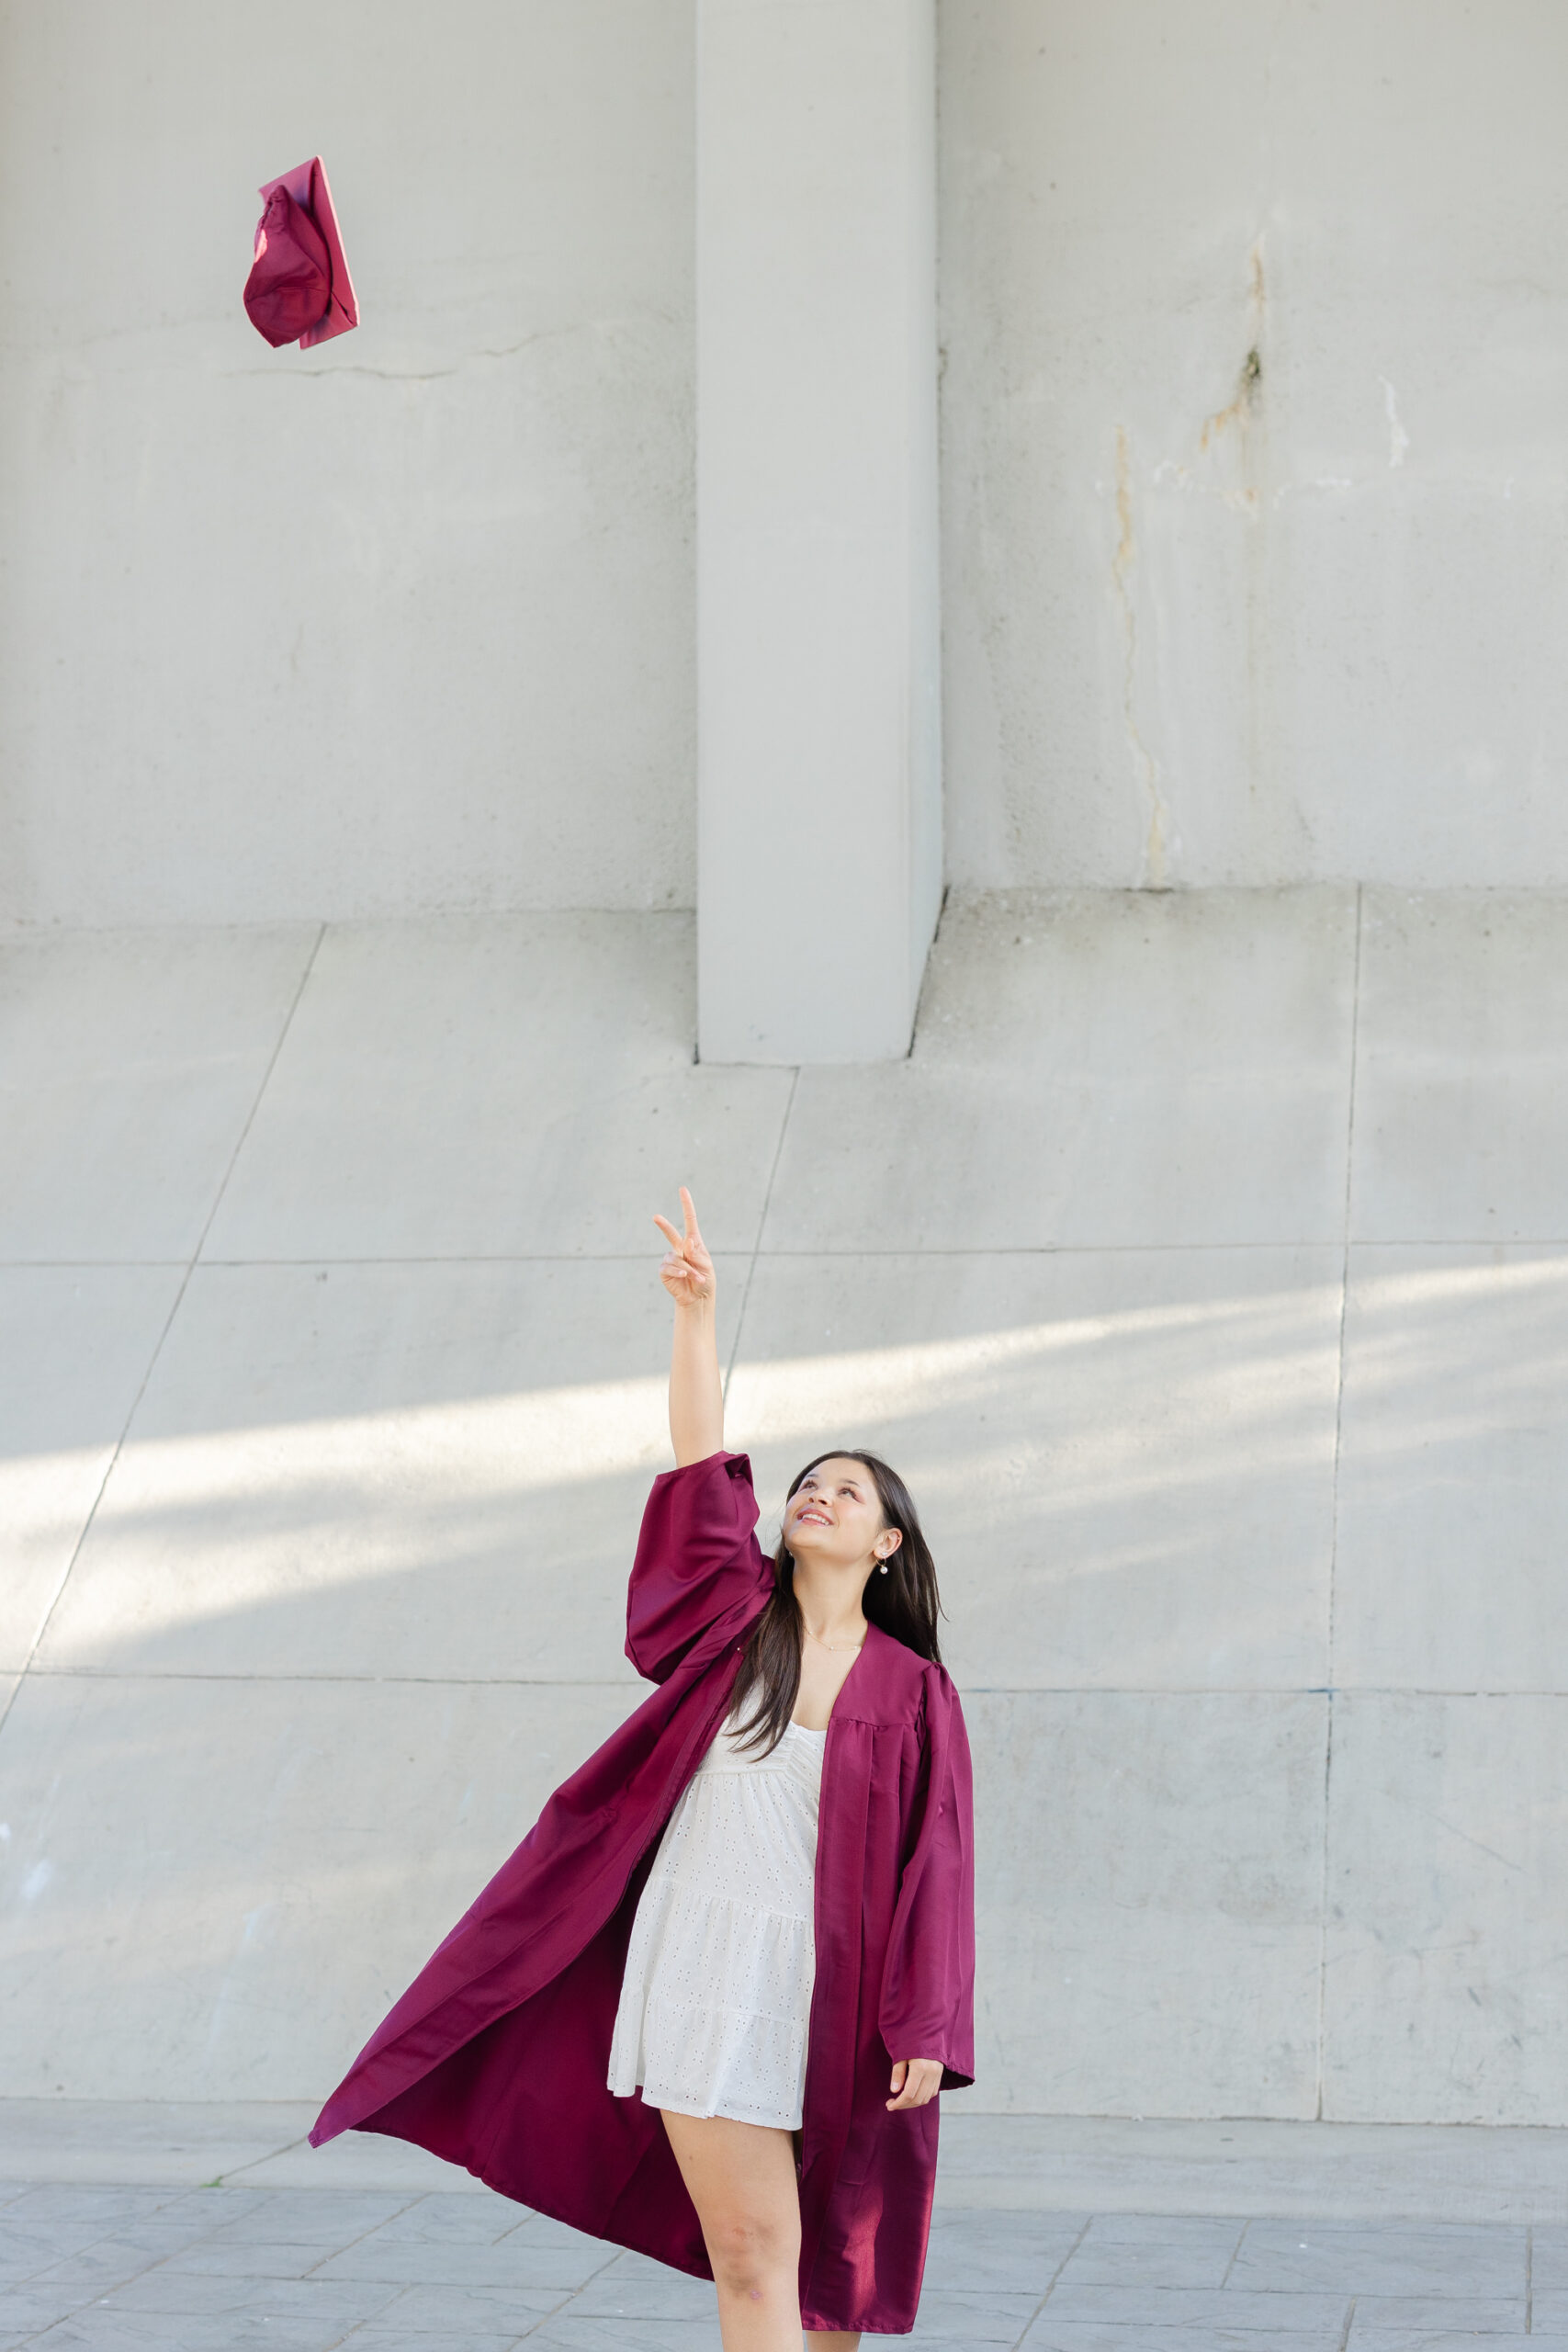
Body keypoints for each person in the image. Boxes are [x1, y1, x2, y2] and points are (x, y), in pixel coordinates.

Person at [310, 1189, 976, 2346]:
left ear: (887, 1543)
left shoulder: (914, 1692)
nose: (816, 1491)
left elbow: (939, 1867)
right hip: (705, 1954)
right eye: (807, 1481)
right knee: (755, 2252)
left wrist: (928, 2023)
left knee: (833, 2270)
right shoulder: (735, 1621)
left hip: (838, 1987)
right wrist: (696, 1318)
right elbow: (700, 1461)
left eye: (849, 1489)